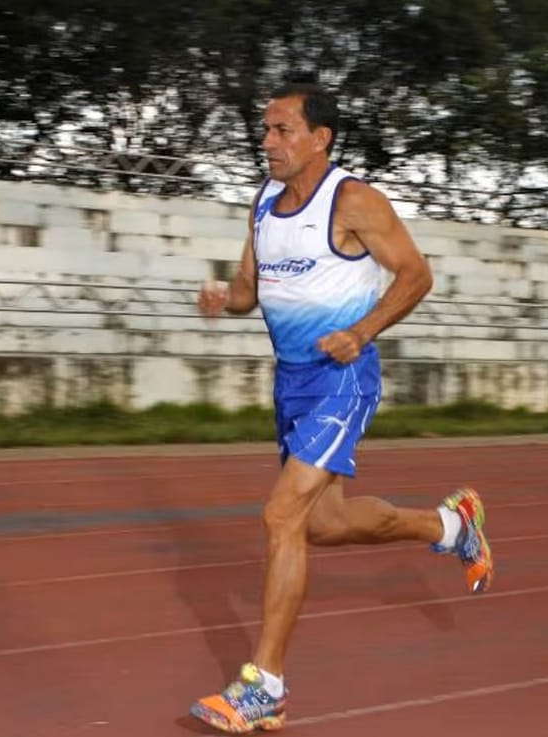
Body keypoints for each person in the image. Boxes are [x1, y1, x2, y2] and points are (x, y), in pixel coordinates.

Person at [190, 76, 493, 734]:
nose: (266, 141)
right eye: (264, 130)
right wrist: (223, 298)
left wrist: (360, 331)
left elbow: (417, 275)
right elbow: (249, 290)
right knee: (322, 523)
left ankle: (262, 688)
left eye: (281, 130)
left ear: (319, 138)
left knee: (282, 515)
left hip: (342, 375)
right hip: (292, 381)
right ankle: (450, 527)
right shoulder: (263, 205)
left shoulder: (352, 200)